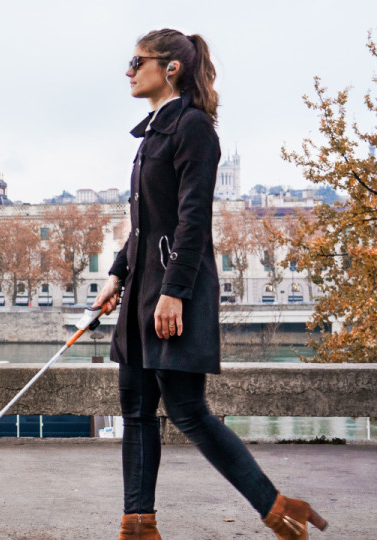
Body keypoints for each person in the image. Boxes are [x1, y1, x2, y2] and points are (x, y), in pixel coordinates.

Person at [92, 29, 328, 540]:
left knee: (187, 411)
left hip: (172, 290)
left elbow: (192, 219)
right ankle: (138, 525)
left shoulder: (194, 128)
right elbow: (144, 225)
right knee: (134, 411)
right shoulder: (152, 131)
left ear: (170, 67)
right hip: (140, 292)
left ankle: (277, 506)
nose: (128, 71)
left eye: (137, 61)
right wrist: (117, 273)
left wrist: (174, 291)